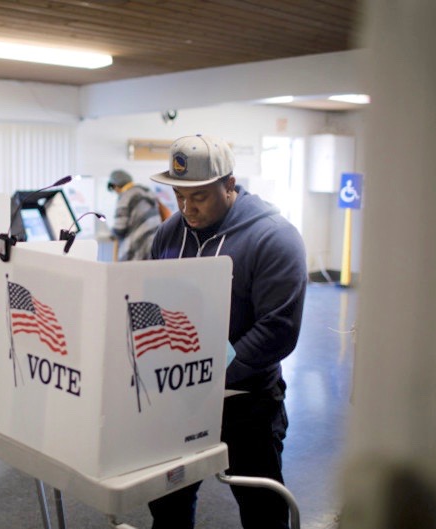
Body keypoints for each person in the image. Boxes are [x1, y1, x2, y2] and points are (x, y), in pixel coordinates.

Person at [147, 135, 307, 529]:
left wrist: (210, 371)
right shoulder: (171, 232)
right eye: (179, 196)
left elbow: (277, 330)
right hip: (180, 399)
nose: (187, 208)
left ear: (230, 184)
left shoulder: (273, 238)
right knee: (168, 507)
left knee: (262, 510)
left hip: (248, 403)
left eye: (198, 196)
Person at [107, 169, 162, 261]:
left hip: (136, 249)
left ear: (116, 185)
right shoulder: (147, 191)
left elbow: (120, 228)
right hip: (153, 245)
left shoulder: (125, 196)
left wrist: (112, 233)